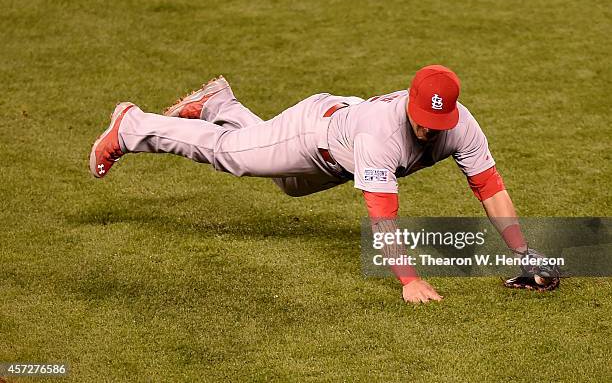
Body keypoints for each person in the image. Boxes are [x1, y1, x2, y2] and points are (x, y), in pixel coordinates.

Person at [89, 65, 559, 304]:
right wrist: (409, 280)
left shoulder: (463, 126)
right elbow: (382, 218)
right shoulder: (382, 134)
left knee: (289, 185)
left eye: (437, 121)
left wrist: (521, 252)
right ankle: (132, 126)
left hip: (337, 154)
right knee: (233, 156)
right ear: (409, 103)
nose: (428, 130)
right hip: (315, 134)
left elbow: (490, 188)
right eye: (422, 119)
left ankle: (220, 104)